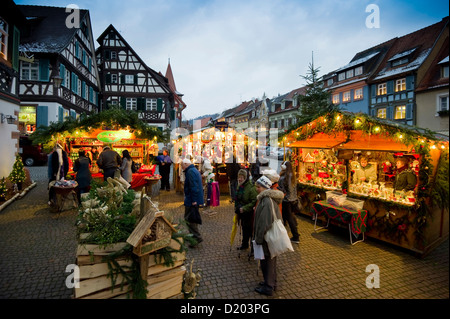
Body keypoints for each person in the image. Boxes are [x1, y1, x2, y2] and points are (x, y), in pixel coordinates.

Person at [253, 175, 284, 296]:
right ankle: (271, 282)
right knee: (269, 261)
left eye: (259, 186)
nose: (257, 188)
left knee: (268, 261)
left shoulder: (266, 201)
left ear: (265, 187)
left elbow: (264, 222)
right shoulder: (265, 199)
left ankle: (268, 287)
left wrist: (258, 238)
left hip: (267, 238)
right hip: (268, 237)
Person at [181, 158, 204, 247]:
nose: (182, 168)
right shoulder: (193, 170)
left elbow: (193, 187)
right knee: (191, 218)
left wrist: (194, 200)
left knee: (189, 219)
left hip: (191, 200)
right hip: (193, 199)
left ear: (186, 164)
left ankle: (196, 237)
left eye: (182, 166)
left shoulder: (190, 172)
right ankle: (193, 236)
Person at [234, 169, 258, 250]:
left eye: (241, 177)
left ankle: (253, 248)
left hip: (249, 212)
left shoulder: (251, 187)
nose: (239, 179)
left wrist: (244, 208)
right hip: (242, 212)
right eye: (238, 177)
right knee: (244, 228)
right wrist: (237, 207)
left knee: (250, 230)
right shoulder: (239, 185)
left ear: (245, 177)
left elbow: (254, 201)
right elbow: (237, 198)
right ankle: (245, 244)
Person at [278, 161, 300, 243]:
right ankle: (285, 234)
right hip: (293, 200)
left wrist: (280, 189)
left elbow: (284, 189)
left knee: (288, 218)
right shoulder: (293, 176)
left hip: (286, 200)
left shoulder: (285, 178)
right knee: (288, 217)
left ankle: (295, 236)